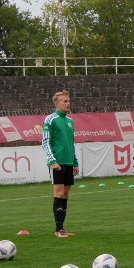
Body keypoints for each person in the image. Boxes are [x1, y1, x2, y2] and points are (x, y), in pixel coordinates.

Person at [42, 90, 80, 237]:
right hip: (57, 163)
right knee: (58, 193)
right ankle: (58, 229)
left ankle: (62, 227)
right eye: (64, 101)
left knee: (65, 194)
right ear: (57, 103)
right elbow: (46, 142)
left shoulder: (70, 121)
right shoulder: (50, 119)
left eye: (68, 101)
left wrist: (75, 162)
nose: (68, 103)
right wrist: (52, 161)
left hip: (69, 163)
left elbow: (71, 143)